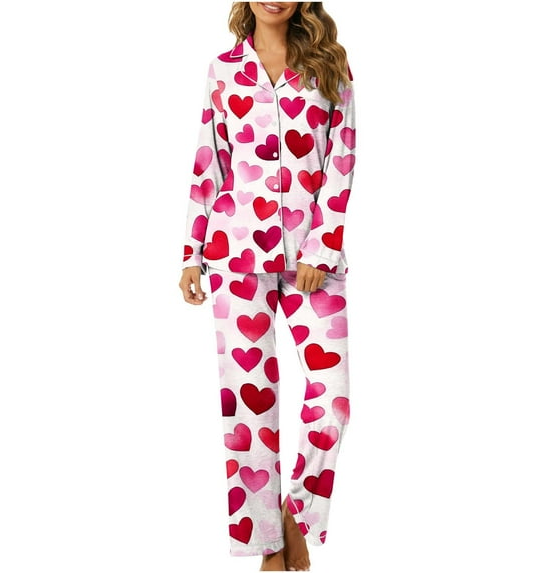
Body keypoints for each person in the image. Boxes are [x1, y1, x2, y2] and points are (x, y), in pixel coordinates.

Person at [179, 2, 355, 570]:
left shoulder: (330, 65)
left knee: (332, 401)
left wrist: (322, 246)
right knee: (248, 408)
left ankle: (296, 516)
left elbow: (342, 159)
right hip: (235, 256)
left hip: (313, 261)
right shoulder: (223, 69)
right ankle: (267, 548)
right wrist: (192, 253)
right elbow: (210, 162)